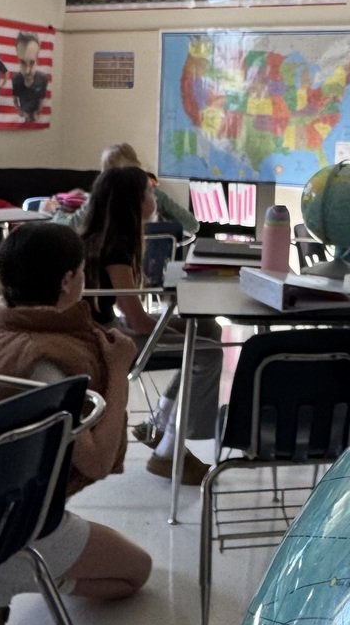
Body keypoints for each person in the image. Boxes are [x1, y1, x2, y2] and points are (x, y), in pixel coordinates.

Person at [0, 222, 151, 625]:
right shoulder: (49, 363)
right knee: (135, 573)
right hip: (14, 520)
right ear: (68, 280)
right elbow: (97, 460)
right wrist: (121, 370)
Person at [80, 165, 222, 485]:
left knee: (208, 328)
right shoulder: (117, 248)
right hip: (110, 338)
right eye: (147, 192)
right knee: (209, 351)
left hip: (109, 327)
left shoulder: (102, 236)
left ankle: (158, 424)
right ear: (130, 202)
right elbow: (138, 321)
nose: (153, 198)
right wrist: (178, 331)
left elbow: (126, 309)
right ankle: (168, 452)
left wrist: (183, 327)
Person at [44, 142, 199, 234]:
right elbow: (192, 225)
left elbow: (70, 228)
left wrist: (55, 210)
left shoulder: (101, 197)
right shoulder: (154, 194)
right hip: (153, 269)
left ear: (105, 173)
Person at [11, 31, 49, 122]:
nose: (27, 71)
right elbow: (15, 100)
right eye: (23, 63)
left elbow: (42, 100)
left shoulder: (43, 78)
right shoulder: (16, 79)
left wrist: (38, 113)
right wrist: (20, 112)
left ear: (37, 59)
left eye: (32, 63)